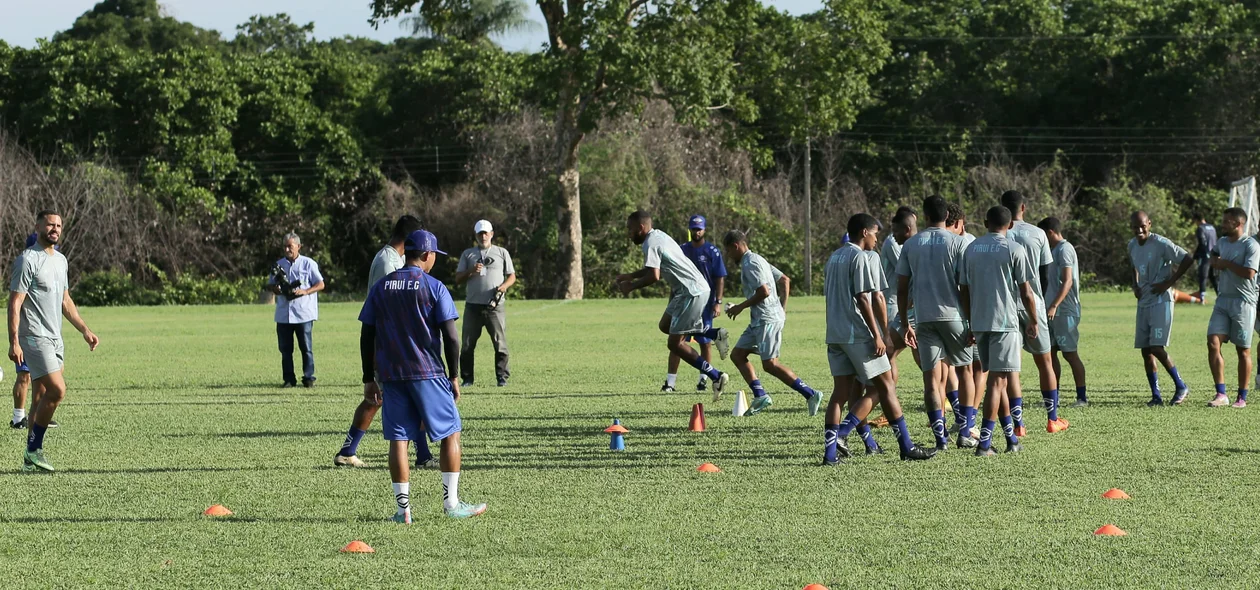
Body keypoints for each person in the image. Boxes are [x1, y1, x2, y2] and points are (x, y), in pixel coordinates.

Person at [359, 229, 486, 521]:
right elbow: (452, 338)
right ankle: (451, 504)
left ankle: (403, 510)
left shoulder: (382, 287)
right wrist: (454, 375)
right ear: (427, 255)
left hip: (391, 374)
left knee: (399, 439)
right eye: (434, 257)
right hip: (428, 372)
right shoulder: (434, 286)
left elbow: (367, 334)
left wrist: (369, 377)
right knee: (451, 431)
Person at [822, 213, 935, 464]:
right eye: (875, 233)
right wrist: (880, 334)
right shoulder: (860, 257)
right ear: (864, 232)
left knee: (839, 393)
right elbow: (866, 298)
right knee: (885, 386)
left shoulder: (834, 256)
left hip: (835, 334)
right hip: (857, 334)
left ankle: (830, 455)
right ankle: (905, 447)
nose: (877, 239)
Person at [334, 215, 431, 469]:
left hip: (392, 340)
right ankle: (422, 456)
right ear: (409, 238)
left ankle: (348, 451)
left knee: (383, 398)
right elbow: (386, 304)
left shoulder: (394, 258)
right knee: (393, 396)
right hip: (387, 341)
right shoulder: (387, 262)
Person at [11, 211, 100, 472]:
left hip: (55, 336)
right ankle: (34, 449)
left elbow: (65, 301)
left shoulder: (61, 261)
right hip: (34, 337)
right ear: (38, 226)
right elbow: (15, 303)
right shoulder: (28, 260)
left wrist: (84, 329)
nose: (55, 228)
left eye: (59, 225)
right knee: (58, 390)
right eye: (50, 224)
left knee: (39, 396)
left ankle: (29, 460)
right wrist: (14, 341)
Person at [617, 211, 730, 400]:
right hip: (687, 290)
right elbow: (653, 268)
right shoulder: (658, 235)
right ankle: (713, 334)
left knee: (675, 343)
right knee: (665, 326)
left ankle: (716, 376)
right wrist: (630, 276)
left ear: (641, 228)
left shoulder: (649, 243)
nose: (628, 233)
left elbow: (654, 275)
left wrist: (631, 286)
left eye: (630, 229)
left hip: (691, 292)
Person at [959, 206, 1039, 457]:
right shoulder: (1014, 249)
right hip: (1004, 323)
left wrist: (970, 322)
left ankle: (1011, 439)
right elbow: (1026, 291)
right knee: (998, 382)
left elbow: (964, 289)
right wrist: (1033, 320)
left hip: (981, 322)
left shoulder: (971, 249)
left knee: (998, 380)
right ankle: (984, 444)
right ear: (1011, 225)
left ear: (984, 222)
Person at [897, 195, 974, 450]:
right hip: (953, 315)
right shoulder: (958, 243)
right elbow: (964, 286)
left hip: (924, 317)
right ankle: (965, 431)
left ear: (926, 216)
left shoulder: (911, 244)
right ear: (947, 217)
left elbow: (902, 286)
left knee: (931, 380)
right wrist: (971, 319)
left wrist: (905, 322)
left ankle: (940, 440)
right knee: (964, 372)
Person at [721, 230, 822, 416]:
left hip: (766, 320)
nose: (728, 256)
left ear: (736, 246)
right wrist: (782, 309)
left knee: (770, 364)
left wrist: (740, 307)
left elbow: (764, 292)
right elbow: (784, 280)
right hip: (761, 319)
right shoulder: (758, 259)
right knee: (737, 354)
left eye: (728, 251)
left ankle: (811, 394)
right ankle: (760, 395)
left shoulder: (750, 263)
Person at [1000, 190, 1065, 435]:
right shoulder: (1038, 234)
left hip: (1006, 305)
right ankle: (1052, 419)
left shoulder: (1001, 233)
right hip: (1033, 303)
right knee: (1045, 362)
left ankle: (1018, 425)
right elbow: (1046, 274)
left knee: (1012, 367)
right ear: (1023, 208)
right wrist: (1038, 300)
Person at [1128, 210, 1195, 406]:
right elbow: (1132, 264)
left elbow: (1187, 259)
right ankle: (1156, 396)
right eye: (1135, 226)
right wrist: (1135, 284)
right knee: (1146, 351)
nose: (1139, 230)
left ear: (1149, 224)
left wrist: (1169, 283)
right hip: (1144, 301)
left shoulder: (1161, 244)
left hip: (1161, 301)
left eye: (1142, 225)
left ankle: (1181, 385)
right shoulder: (1131, 245)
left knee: (1156, 347)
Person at [663, 215, 726, 393]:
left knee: (704, 343)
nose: (696, 232)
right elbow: (675, 277)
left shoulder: (712, 251)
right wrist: (671, 300)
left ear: (704, 230)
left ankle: (703, 380)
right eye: (693, 229)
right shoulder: (682, 250)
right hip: (683, 300)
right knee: (677, 340)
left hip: (705, 302)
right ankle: (670, 383)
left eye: (699, 229)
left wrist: (718, 302)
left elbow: (719, 277)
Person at [1205, 208, 1260, 408]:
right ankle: (1221, 394)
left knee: (1242, 350)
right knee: (1212, 342)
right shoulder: (1221, 242)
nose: (1222, 224)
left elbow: (1249, 273)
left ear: (1238, 224)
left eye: (1226, 222)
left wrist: (1225, 264)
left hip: (1244, 302)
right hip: (1223, 301)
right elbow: (1213, 254)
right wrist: (1214, 260)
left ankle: (1241, 398)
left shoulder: (1251, 245)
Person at [454, 220, 516, 388]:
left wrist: (503, 286)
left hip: (495, 306)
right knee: (467, 344)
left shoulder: (501, 253)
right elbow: (458, 279)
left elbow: (511, 276)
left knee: (499, 343)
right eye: (480, 233)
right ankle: (467, 378)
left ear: (492, 234)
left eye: (486, 233)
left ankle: (502, 377)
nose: (483, 236)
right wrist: (471, 271)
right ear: (476, 235)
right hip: (473, 306)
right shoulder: (468, 254)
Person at [1038, 217, 1089, 408]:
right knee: (1050, 354)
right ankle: (1053, 399)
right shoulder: (1051, 251)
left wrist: (1054, 305)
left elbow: (1067, 281)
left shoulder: (1065, 249)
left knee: (1070, 354)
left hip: (1064, 310)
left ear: (1050, 232)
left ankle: (1082, 398)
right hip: (1050, 311)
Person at [945, 203, 984, 434]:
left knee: (952, 367)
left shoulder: (934, 242)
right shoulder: (969, 243)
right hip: (970, 313)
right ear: (961, 222)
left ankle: (962, 419)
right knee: (977, 369)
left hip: (940, 313)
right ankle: (969, 422)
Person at [269, 233, 324, 388]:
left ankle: (308, 377)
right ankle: (288, 379)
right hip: (283, 314)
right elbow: (270, 284)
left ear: (298, 247)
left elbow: (321, 284)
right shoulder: (278, 265)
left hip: (303, 314)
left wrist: (305, 291)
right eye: (285, 246)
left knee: (306, 348)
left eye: (290, 246)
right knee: (285, 350)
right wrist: (277, 289)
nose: (287, 249)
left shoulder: (308, 264)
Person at [10, 233, 52, 430]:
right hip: (28, 334)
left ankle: (40, 415)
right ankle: (19, 418)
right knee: (25, 375)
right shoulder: (25, 268)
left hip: (46, 335)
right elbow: (15, 304)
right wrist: (15, 341)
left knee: (45, 376)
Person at [882, 206, 918, 383]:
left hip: (896, 303)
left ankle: (889, 403)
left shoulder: (907, 246)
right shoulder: (898, 243)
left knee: (888, 352)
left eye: (896, 230)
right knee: (889, 354)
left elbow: (906, 277)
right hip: (902, 304)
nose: (893, 234)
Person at [1194, 211, 1219, 303]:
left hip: (1205, 255)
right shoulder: (1212, 227)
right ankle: (1219, 295)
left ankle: (1202, 298)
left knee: (1202, 276)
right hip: (1214, 255)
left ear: (1197, 220)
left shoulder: (1200, 228)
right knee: (1213, 277)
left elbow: (1202, 242)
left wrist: (1197, 254)